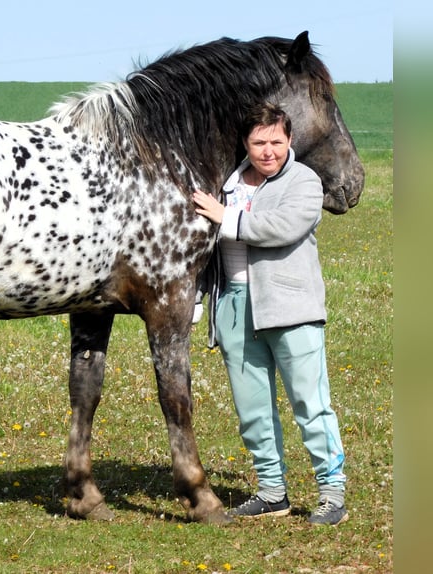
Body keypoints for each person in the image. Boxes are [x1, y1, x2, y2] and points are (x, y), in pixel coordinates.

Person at [192, 102, 348, 526]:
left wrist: (226, 217)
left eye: (276, 142)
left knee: (310, 405)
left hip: (291, 307)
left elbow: (282, 227)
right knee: (253, 409)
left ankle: (332, 493)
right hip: (234, 308)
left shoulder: (304, 181)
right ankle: (271, 492)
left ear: (290, 140)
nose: (268, 151)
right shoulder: (223, 182)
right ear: (245, 143)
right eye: (259, 142)